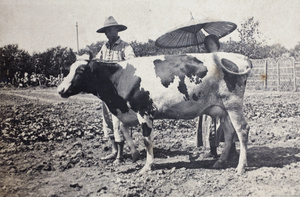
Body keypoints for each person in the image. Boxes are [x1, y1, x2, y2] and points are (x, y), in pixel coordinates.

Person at [95, 16, 136, 162]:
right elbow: (97, 62)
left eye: (110, 29)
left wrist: (114, 66)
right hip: (106, 89)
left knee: (118, 119)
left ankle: (120, 154)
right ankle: (113, 150)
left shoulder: (125, 46)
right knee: (107, 119)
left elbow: (132, 62)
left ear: (116, 30)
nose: (107, 33)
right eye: (105, 31)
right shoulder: (104, 47)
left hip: (119, 89)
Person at [201, 35, 238, 158]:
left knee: (228, 120)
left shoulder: (223, 58)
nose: (210, 47)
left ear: (217, 44)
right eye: (207, 45)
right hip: (207, 95)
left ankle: (231, 149)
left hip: (223, 92)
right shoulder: (204, 59)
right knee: (210, 123)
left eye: (212, 44)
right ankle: (213, 150)